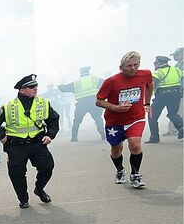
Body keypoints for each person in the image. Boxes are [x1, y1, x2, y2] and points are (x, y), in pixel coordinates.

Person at [0, 74, 59, 208]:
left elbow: (54, 119)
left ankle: (39, 189)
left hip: (37, 143)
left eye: (36, 86)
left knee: (47, 166)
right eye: (31, 87)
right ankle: (23, 198)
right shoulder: (9, 106)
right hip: (16, 146)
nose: (35, 89)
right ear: (21, 90)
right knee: (16, 174)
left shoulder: (43, 103)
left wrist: (50, 135)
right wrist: (2, 135)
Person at [96, 51, 153, 188]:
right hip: (114, 121)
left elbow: (150, 86)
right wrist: (115, 108)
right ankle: (120, 170)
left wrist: (147, 103)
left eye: (136, 65)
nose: (133, 68)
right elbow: (99, 101)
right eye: (129, 66)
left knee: (135, 145)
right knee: (116, 150)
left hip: (136, 118)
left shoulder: (145, 74)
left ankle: (135, 175)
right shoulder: (111, 81)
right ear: (121, 67)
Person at [58, 66, 105, 142]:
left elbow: (63, 88)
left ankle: (74, 137)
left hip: (82, 104)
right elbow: (107, 83)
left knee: (77, 121)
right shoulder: (95, 79)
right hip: (94, 103)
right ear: (88, 72)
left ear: (81, 73)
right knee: (98, 118)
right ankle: (102, 135)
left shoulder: (77, 83)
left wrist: (59, 85)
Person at [146, 56, 183, 143]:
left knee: (152, 115)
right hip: (176, 95)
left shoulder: (158, 72)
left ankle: (154, 137)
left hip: (162, 96)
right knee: (172, 114)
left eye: (155, 63)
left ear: (158, 63)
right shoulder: (176, 70)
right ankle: (181, 128)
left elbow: (152, 86)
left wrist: (147, 98)